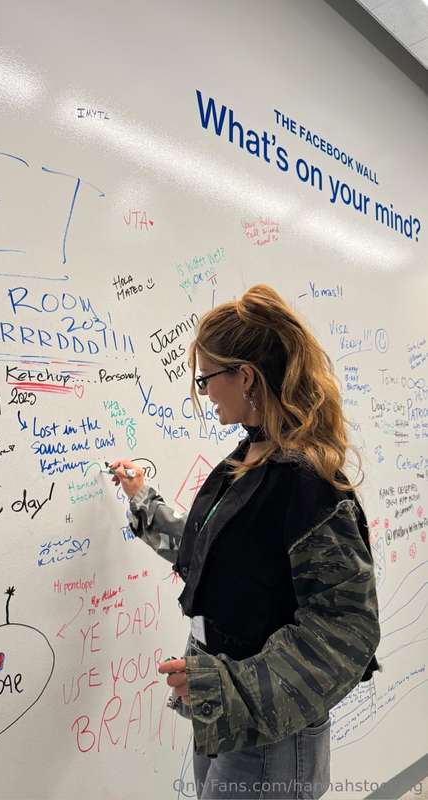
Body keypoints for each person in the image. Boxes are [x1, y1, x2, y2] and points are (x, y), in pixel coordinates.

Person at [111, 284, 381, 800]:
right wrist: (143, 502)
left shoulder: (305, 482)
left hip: (270, 727)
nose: (205, 392)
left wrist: (227, 687)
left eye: (207, 378)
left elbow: (346, 629)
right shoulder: (248, 461)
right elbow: (214, 556)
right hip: (226, 709)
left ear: (246, 377)